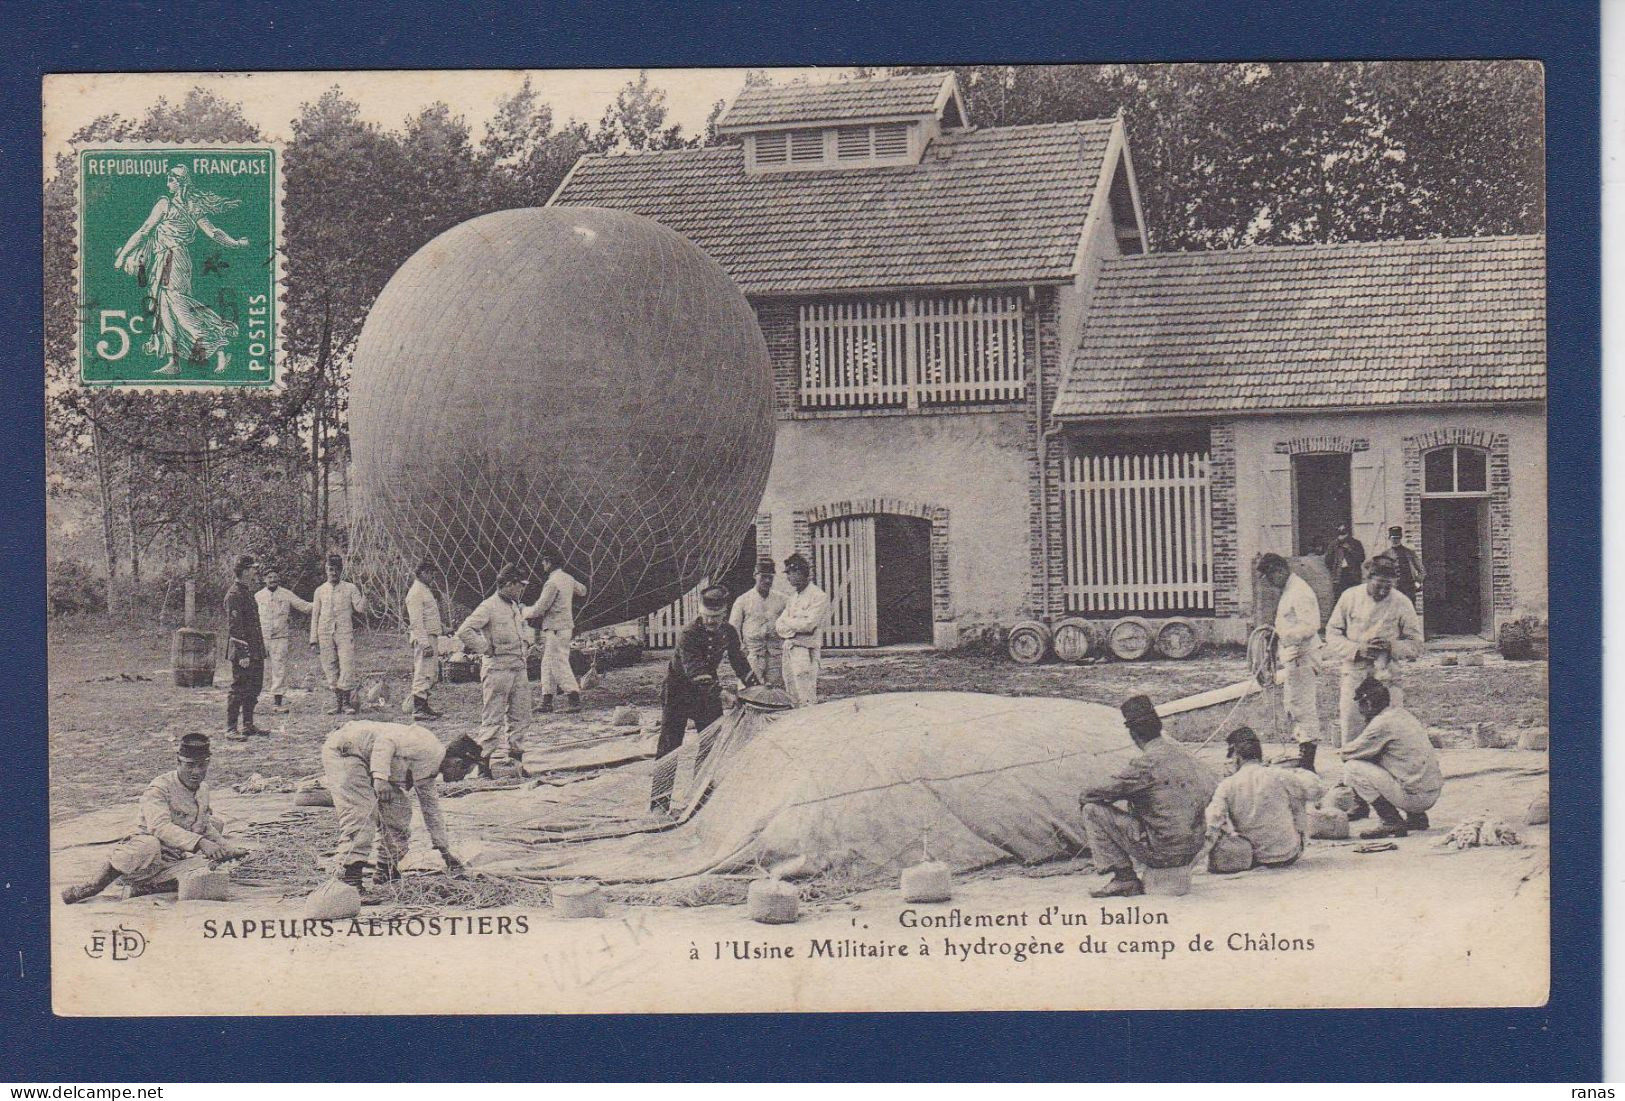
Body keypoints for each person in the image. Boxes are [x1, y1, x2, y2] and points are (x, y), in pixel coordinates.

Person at [61, 734, 248, 903]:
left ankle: (148, 887)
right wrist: (200, 843)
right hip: (143, 859)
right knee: (148, 845)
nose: (196, 772)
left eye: (201, 765)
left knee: (210, 875)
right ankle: (92, 886)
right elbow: (159, 827)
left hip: (175, 860)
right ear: (178, 762)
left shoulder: (203, 789)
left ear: (208, 763)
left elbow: (204, 825)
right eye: (190, 765)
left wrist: (226, 848)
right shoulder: (159, 789)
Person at [112, 165, 249, 376]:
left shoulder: (167, 204)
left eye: (171, 178)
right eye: (168, 177)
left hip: (173, 260)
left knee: (179, 306)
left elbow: (144, 231)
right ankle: (173, 361)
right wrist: (236, 243)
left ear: (181, 182)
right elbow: (213, 233)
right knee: (163, 310)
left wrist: (122, 256)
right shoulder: (184, 205)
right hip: (164, 259)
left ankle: (220, 344)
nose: (168, 181)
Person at [1078, 695, 1219, 898]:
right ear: (1158, 727)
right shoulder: (1184, 756)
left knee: (1092, 809)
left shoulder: (1145, 765)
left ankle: (1124, 877)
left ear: (1134, 734)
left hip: (1164, 852)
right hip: (1194, 847)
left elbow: (1094, 793)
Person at [321, 721, 482, 889]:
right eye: (465, 772)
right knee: (361, 813)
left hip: (372, 765)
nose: (461, 779)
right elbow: (385, 742)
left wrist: (445, 852)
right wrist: (380, 778)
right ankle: (350, 877)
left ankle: (386, 870)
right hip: (348, 751)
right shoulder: (426, 745)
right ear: (457, 762)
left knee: (399, 813)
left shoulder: (429, 774)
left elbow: (432, 812)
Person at [650, 585, 760, 814]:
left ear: (724, 613)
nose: (711, 621)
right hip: (679, 692)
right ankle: (659, 805)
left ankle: (699, 798)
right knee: (670, 747)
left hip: (705, 695)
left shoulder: (729, 632)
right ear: (701, 612)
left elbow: (739, 662)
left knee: (711, 745)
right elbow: (695, 670)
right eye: (707, 616)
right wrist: (722, 694)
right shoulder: (689, 633)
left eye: (716, 617)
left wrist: (756, 688)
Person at [1324, 557, 1423, 748]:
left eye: (1388, 586)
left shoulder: (1402, 602)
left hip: (1387, 679)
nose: (1384, 591)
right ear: (1368, 579)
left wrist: (1392, 646)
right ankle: (1352, 776)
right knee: (1353, 737)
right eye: (1379, 585)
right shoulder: (1349, 597)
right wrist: (1357, 650)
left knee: (1390, 737)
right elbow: (1332, 633)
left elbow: (1417, 644)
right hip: (1355, 676)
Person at [1203, 727, 1324, 872]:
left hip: (1251, 856)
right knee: (1297, 792)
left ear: (1236, 758)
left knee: (1219, 821)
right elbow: (1317, 790)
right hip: (1289, 853)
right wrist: (1298, 772)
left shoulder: (1226, 785)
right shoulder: (1279, 775)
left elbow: (1211, 826)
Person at [455, 563, 533, 774]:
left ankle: (517, 761)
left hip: (518, 666)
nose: (521, 590)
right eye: (519, 586)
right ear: (509, 584)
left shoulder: (514, 606)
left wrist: (526, 642)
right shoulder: (488, 606)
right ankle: (484, 765)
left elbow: (522, 628)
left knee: (521, 715)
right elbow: (465, 630)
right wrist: (484, 647)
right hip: (498, 669)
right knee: (493, 717)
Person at [1341, 678, 1442, 840]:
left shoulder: (1381, 723)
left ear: (1367, 703)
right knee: (1392, 758)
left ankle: (1390, 820)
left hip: (1415, 797)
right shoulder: (1402, 714)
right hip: (1431, 791)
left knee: (1352, 768)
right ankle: (1417, 817)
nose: (1359, 710)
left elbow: (1347, 754)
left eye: (1360, 704)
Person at [1257, 553, 1324, 771]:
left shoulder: (1300, 591)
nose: (1270, 581)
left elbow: (1310, 625)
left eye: (1270, 575)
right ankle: (1303, 753)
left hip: (1303, 656)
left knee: (1303, 707)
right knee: (1294, 705)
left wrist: (1282, 636)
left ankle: (1308, 762)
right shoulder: (1289, 590)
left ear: (1280, 570)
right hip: (1294, 657)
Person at [525, 550, 587, 713]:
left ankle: (574, 698)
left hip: (555, 629)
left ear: (550, 563)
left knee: (558, 663)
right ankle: (547, 699)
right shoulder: (568, 578)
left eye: (544, 562)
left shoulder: (552, 583)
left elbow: (540, 608)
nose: (542, 564)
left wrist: (524, 611)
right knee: (547, 663)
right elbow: (583, 590)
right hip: (564, 627)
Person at [309, 554, 369, 716]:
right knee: (330, 666)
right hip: (325, 632)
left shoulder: (350, 588)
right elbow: (315, 615)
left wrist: (366, 595)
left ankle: (348, 703)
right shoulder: (320, 591)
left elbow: (360, 608)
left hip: (344, 632)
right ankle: (338, 703)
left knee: (346, 665)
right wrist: (313, 639)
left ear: (341, 570)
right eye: (330, 569)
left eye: (336, 570)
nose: (332, 573)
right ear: (325, 570)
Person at [774, 553, 830, 708]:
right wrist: (793, 627)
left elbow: (809, 625)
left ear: (799, 572)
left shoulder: (818, 596)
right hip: (790, 648)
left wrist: (788, 623)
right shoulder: (793, 598)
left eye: (790, 573)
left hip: (806, 650)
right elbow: (779, 625)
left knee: (806, 694)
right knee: (791, 692)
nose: (788, 578)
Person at [255, 566, 312, 712]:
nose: (273, 580)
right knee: (256, 668)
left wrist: (321, 602)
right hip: (262, 638)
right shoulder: (257, 596)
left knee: (279, 668)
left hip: (280, 638)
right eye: (269, 577)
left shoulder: (286, 594)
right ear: (264, 579)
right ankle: (251, 702)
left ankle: (277, 703)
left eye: (275, 577)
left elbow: (304, 606)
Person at [225, 554, 268, 740]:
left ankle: (248, 724)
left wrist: (259, 649)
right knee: (239, 688)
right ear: (243, 571)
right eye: (252, 569)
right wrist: (243, 653)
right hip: (243, 651)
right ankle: (231, 728)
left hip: (255, 650)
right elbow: (235, 627)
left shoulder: (247, 592)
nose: (254, 572)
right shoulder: (234, 595)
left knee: (254, 687)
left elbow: (254, 625)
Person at [730, 558, 787, 688]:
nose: (767, 581)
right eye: (763, 577)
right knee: (750, 689)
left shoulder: (782, 599)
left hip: (775, 654)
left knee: (776, 691)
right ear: (755, 576)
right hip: (752, 654)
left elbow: (792, 621)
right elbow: (733, 628)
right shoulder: (743, 600)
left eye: (770, 577)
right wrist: (740, 649)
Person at [405, 560, 447, 721]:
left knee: (431, 672)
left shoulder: (425, 590)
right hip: (424, 637)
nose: (432, 576)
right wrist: (424, 644)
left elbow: (429, 616)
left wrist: (443, 628)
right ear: (421, 573)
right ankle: (418, 708)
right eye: (430, 573)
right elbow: (416, 621)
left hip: (431, 635)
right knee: (422, 671)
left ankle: (424, 705)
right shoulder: (416, 592)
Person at [1371, 525, 1426, 604]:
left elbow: (1422, 570)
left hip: (1409, 589)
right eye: (1393, 538)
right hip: (1393, 589)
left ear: (1400, 538)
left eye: (1397, 537)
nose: (1395, 540)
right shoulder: (1385, 554)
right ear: (1389, 538)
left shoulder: (1409, 553)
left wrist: (1417, 581)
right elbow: (1378, 572)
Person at [1323, 522, 1367, 603]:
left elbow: (1361, 558)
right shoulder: (1333, 545)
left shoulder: (1356, 543)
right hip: (1339, 576)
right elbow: (1328, 561)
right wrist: (1334, 571)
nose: (1342, 537)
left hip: (1353, 575)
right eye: (1340, 533)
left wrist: (1350, 549)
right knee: (1340, 599)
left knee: (1355, 598)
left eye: (1344, 533)